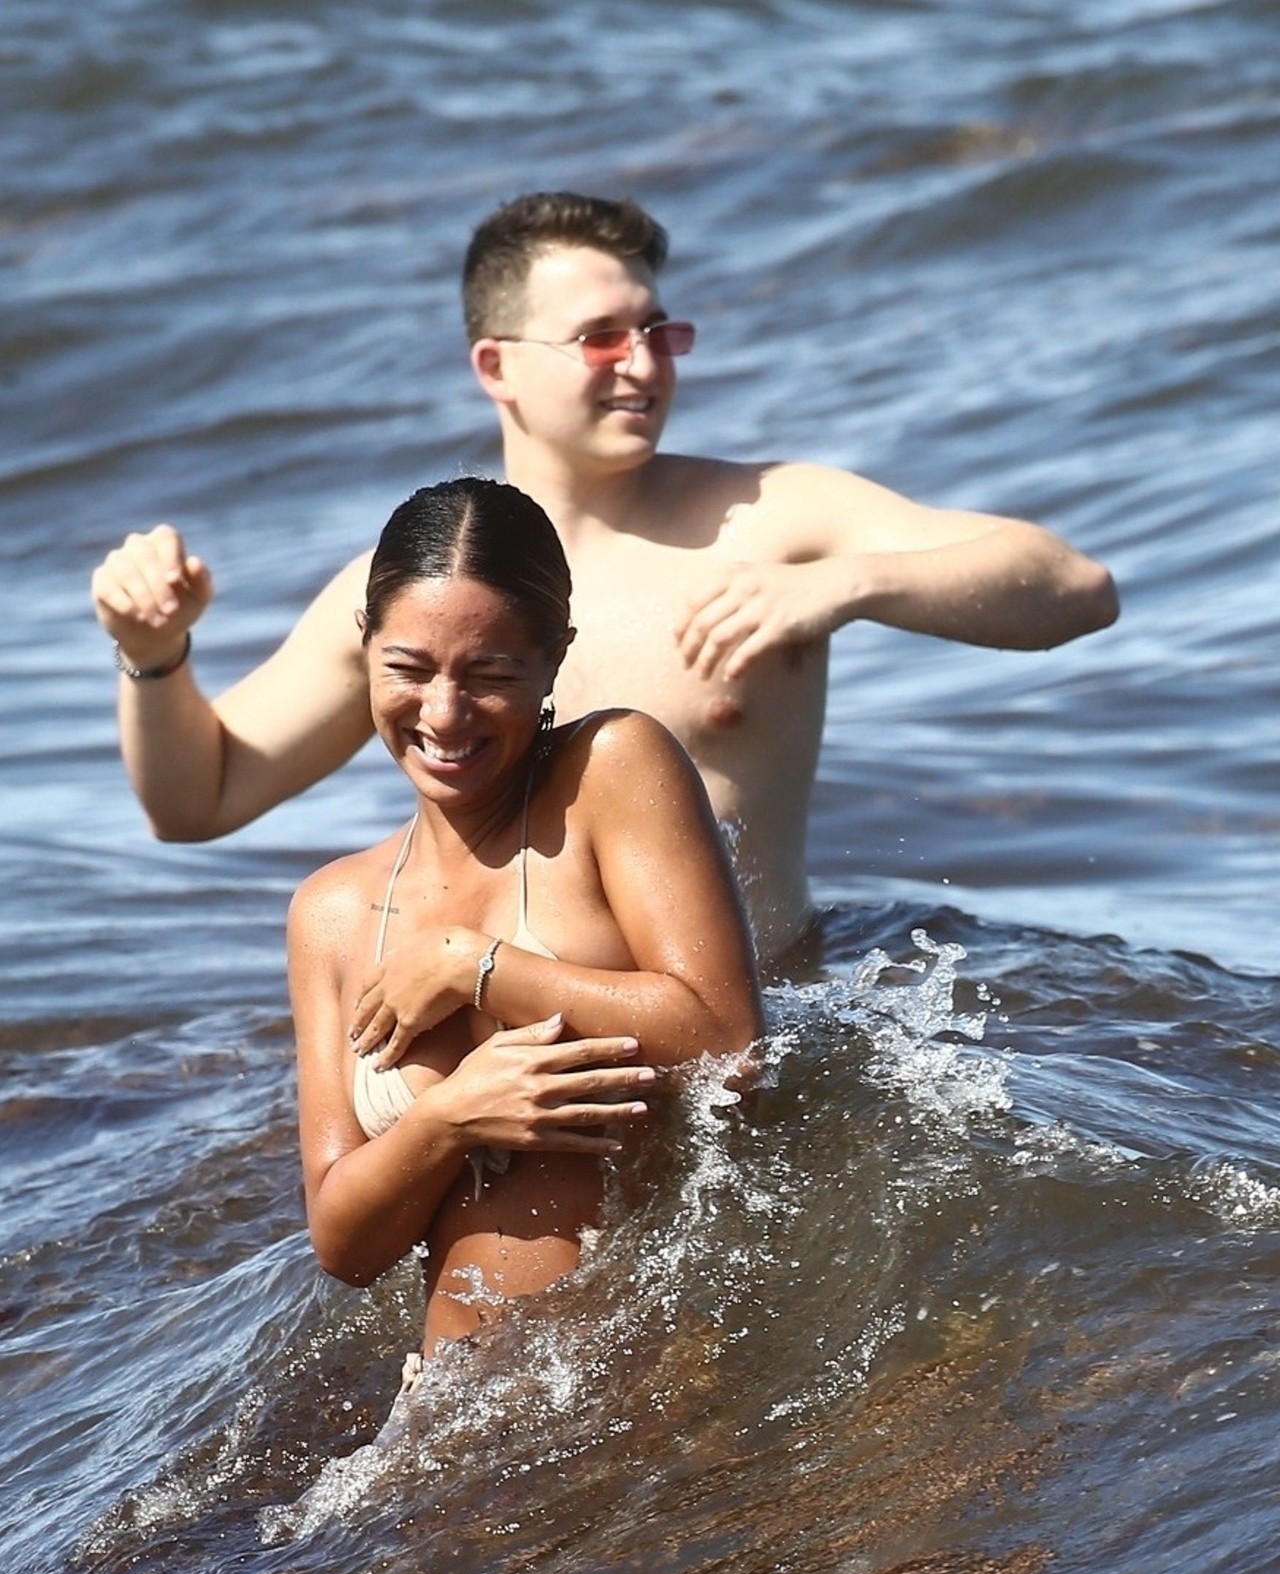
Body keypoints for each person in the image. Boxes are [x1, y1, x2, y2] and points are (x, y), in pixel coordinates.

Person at [93, 190, 1119, 975]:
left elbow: (1073, 587)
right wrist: (153, 655)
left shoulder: (775, 517)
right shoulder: (419, 587)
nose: (644, 363)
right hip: (530, 1053)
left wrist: (848, 585)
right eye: (601, 339)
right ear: (495, 366)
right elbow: (199, 800)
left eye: (659, 331)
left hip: (749, 1034)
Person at [288, 476, 762, 1364]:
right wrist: (448, 1120)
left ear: (553, 659)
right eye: (408, 669)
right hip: (454, 1407)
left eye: (491, 675)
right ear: (365, 647)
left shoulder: (607, 771)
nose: (443, 713)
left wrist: (475, 966)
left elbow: (727, 1040)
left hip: (662, 1374)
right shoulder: (333, 912)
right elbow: (344, 1245)